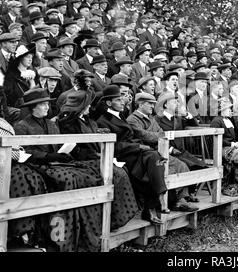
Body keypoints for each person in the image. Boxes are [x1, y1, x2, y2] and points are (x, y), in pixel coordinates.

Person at [14, 88, 104, 251]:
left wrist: (64, 152)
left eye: (47, 104)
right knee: (67, 179)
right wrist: (50, 157)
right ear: (33, 107)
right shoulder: (21, 125)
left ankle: (83, 229)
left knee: (87, 176)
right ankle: (60, 235)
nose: (47, 107)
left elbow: (58, 145)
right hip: (37, 165)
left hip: (55, 163)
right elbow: (25, 151)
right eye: (42, 105)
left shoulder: (51, 123)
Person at [57, 89, 139, 230]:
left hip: (95, 156)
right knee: (117, 174)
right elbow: (75, 149)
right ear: (80, 106)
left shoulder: (90, 121)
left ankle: (115, 217)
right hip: (81, 159)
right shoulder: (68, 123)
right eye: (87, 105)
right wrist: (95, 155)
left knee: (120, 171)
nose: (90, 107)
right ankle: (111, 219)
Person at [96, 85, 169, 224]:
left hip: (133, 152)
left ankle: (156, 200)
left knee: (155, 158)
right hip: (121, 155)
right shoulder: (103, 121)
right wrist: (138, 146)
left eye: (122, 99)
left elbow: (131, 136)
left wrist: (139, 146)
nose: (122, 102)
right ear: (108, 103)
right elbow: (115, 145)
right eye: (118, 100)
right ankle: (157, 201)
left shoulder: (120, 115)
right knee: (154, 159)